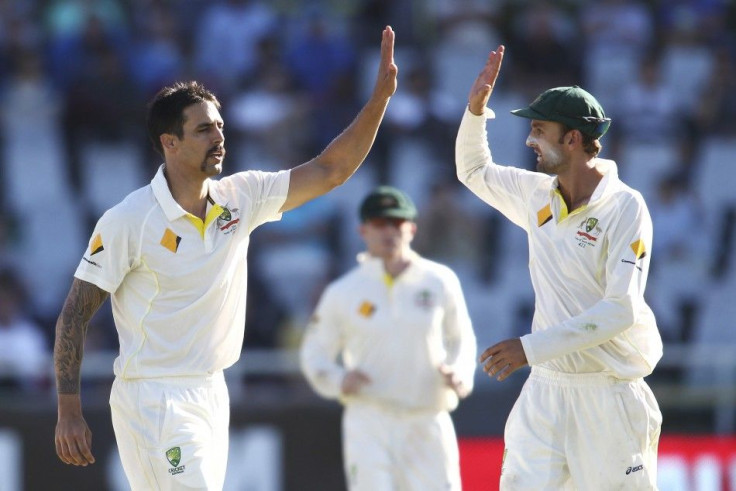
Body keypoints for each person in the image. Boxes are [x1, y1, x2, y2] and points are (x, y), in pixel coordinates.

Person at [53, 26, 398, 490]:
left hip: (212, 390)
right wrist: (69, 411)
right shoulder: (128, 220)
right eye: (203, 130)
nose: (219, 137)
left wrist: (377, 101)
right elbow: (74, 314)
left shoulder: (242, 196)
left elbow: (330, 170)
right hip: (154, 397)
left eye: (219, 126)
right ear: (169, 144)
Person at [455, 46, 663, 489]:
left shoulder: (625, 207)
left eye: (539, 129)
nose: (530, 140)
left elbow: (621, 309)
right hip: (545, 391)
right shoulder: (536, 195)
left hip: (607, 393)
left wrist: (529, 348)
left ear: (572, 138)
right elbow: (472, 169)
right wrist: (475, 112)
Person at [300, 185, 477, 491]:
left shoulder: (439, 281)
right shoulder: (343, 292)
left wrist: (459, 373)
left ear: (411, 228)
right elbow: (313, 353)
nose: (389, 232)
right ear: (363, 230)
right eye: (380, 224)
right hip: (369, 418)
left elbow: (462, 339)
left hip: (427, 416)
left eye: (396, 223)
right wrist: (338, 379)